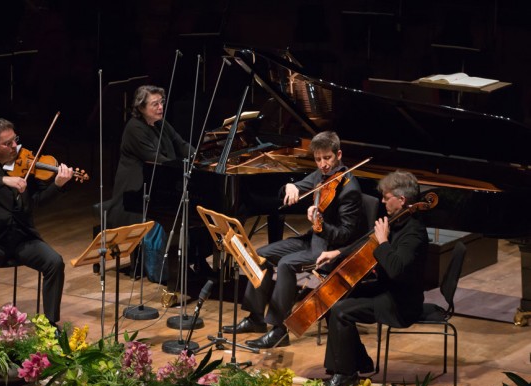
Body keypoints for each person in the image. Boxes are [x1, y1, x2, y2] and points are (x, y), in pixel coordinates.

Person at [223, 131, 365, 348]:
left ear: (338, 155)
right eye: (318, 159)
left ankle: (279, 330)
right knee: (260, 255)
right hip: (313, 239)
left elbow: (345, 234)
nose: (323, 164)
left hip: (329, 249)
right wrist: (291, 186)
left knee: (286, 264)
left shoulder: (349, 190)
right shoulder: (321, 176)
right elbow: (299, 186)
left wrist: (320, 224)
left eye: (327, 158)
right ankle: (256, 319)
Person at [319, 170, 429, 386]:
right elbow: (366, 243)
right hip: (386, 290)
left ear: (402, 200)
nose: (382, 201)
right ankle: (358, 362)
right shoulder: (396, 220)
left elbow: (396, 269)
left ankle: (346, 375)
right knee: (332, 302)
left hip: (402, 303)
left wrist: (383, 242)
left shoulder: (414, 233)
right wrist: (338, 253)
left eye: (386, 198)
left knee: (343, 311)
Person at [0, 118, 74, 327]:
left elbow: (35, 202)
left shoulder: (25, 162)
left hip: (22, 237)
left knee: (54, 262)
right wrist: (2, 180)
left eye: (15, 140)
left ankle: (51, 324)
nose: (15, 147)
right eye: (7, 143)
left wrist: (57, 185)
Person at [107, 85, 210, 300]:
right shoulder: (134, 128)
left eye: (161, 102)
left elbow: (181, 144)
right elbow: (155, 160)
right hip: (135, 195)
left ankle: (197, 260)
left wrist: (199, 159)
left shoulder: (160, 123)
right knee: (178, 214)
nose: (160, 107)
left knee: (200, 209)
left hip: (160, 186)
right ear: (141, 107)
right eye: (155, 104)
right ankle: (169, 270)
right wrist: (185, 167)